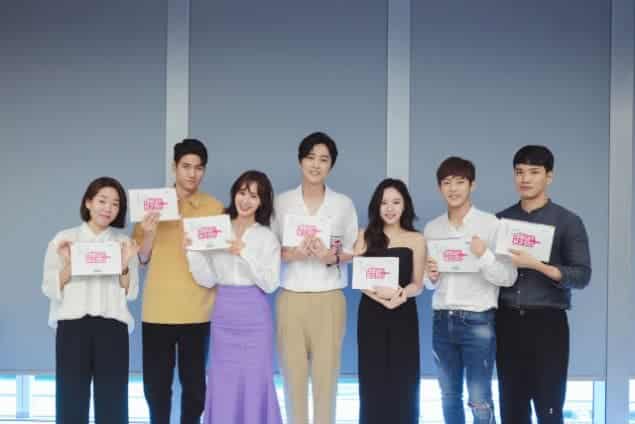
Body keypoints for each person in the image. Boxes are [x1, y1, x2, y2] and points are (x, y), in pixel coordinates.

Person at [496, 145, 591, 424]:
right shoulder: (501, 220)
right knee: (511, 407)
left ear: (549, 176)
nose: (525, 179)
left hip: (547, 323)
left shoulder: (568, 221)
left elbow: (582, 276)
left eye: (534, 172)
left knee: (549, 407)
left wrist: (537, 265)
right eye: (519, 172)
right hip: (507, 321)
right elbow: (489, 271)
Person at [133, 139, 224, 424]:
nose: (192, 174)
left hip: (198, 310)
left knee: (195, 387)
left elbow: (219, 259)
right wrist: (149, 232)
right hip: (158, 310)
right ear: (174, 167)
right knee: (155, 387)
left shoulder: (213, 207)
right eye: (186, 166)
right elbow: (142, 258)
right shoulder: (152, 205)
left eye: (199, 168)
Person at [272, 131, 359, 424]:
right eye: (310, 157)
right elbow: (269, 248)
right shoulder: (282, 202)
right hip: (291, 297)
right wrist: (292, 253)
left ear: (331, 165)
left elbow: (352, 251)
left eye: (323, 159)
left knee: (327, 378)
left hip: (329, 298)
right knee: (292, 376)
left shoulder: (343, 204)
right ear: (300, 161)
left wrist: (330, 257)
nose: (316, 164)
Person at [424, 157, 517, 424]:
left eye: (460, 182)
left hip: (478, 321)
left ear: (472, 185)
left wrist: (484, 254)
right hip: (442, 319)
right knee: (448, 396)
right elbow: (428, 282)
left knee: (479, 398)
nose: (453, 188)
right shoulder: (432, 228)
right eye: (446, 182)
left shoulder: (492, 225)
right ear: (439, 187)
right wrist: (431, 276)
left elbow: (508, 276)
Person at [185, 170, 283, 424]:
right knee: (222, 381)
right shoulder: (217, 229)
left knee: (255, 380)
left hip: (255, 317)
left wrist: (244, 253)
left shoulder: (266, 237)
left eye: (254, 196)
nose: (246, 200)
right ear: (234, 193)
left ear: (262, 202)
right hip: (224, 314)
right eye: (242, 192)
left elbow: (271, 283)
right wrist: (192, 252)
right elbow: (207, 279)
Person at [42, 176, 139, 424]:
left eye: (115, 204)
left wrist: (124, 264)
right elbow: (49, 287)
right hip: (73, 327)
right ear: (88, 202)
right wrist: (71, 263)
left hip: (113, 328)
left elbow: (131, 292)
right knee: (71, 400)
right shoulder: (64, 239)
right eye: (102, 201)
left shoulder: (123, 243)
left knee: (113, 402)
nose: (108, 208)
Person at [354, 178, 425, 424]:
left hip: (403, 314)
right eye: (384, 202)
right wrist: (381, 299)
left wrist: (401, 294)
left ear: (405, 205)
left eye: (396, 202)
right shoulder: (364, 235)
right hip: (371, 315)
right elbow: (360, 279)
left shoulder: (416, 239)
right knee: (372, 379)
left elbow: (418, 284)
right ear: (377, 206)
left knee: (404, 379)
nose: (390, 208)